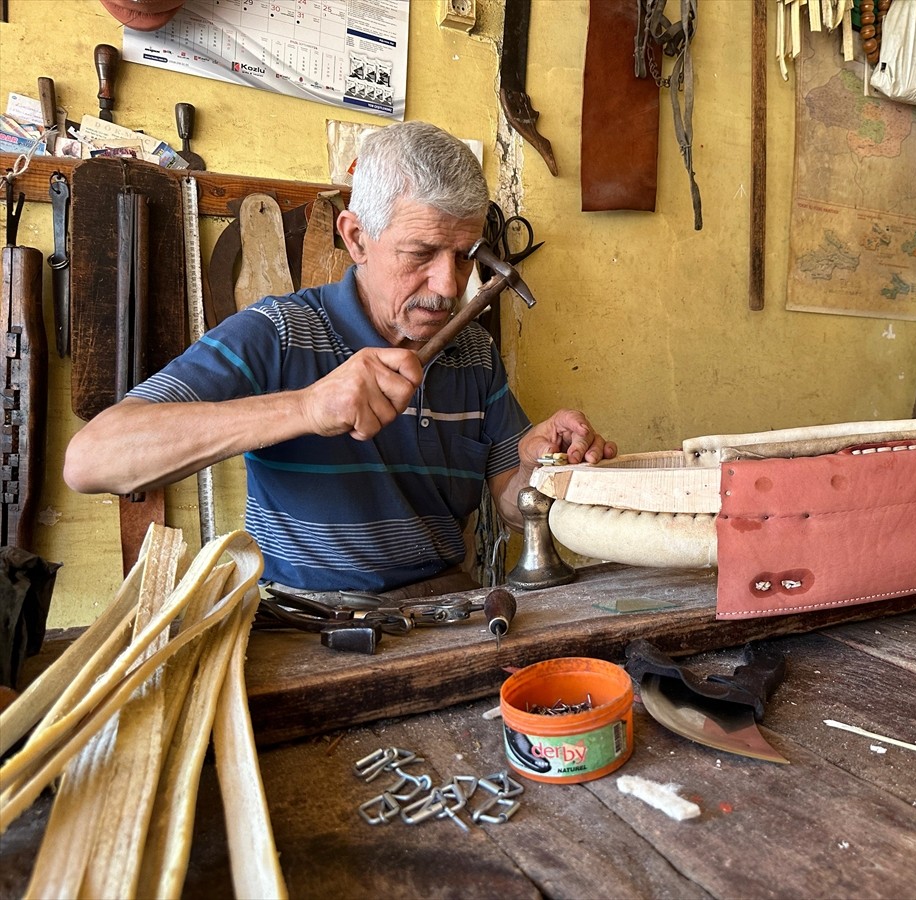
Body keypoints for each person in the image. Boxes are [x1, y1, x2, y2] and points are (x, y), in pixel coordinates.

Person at [64, 121, 616, 595]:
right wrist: (305, 408)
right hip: (305, 626)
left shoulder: (473, 354)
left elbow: (514, 509)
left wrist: (535, 467)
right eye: (420, 254)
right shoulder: (278, 332)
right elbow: (91, 461)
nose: (448, 287)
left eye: (464, 256)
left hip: (447, 613)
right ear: (356, 239)